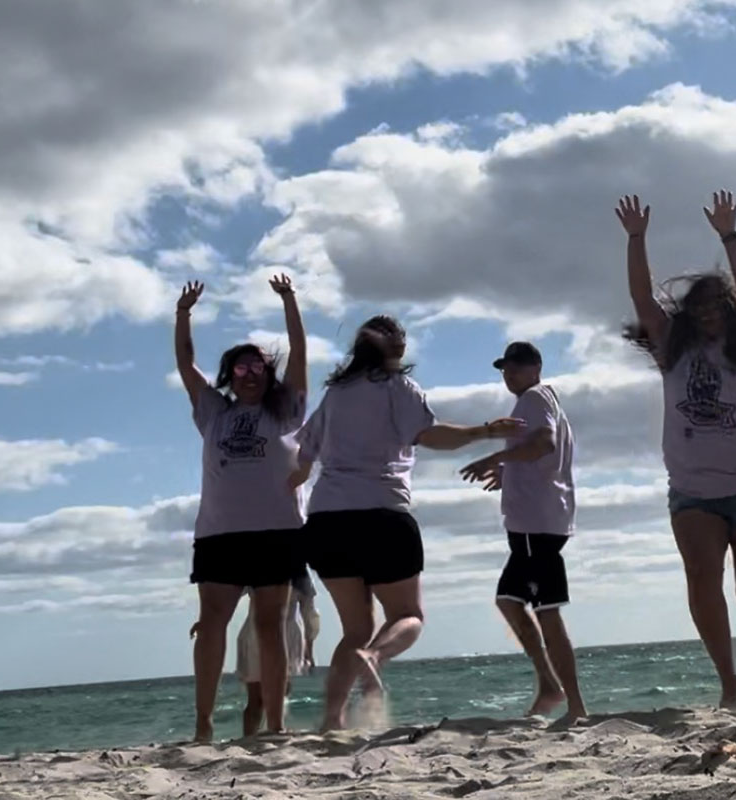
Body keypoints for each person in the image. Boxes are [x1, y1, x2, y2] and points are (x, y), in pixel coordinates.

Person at [289, 315, 524, 731]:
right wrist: (486, 431)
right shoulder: (399, 387)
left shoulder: (335, 394)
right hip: (382, 514)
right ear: (395, 348)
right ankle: (375, 658)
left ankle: (331, 720)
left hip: (326, 521)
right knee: (409, 614)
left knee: (355, 628)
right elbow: (429, 435)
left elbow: (302, 458)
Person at [615, 192, 736, 709]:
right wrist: (636, 239)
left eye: (721, 306)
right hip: (693, 490)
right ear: (691, 314)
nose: (713, 314)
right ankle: (731, 686)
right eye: (703, 307)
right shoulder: (674, 349)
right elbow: (643, 298)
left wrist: (730, 236)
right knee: (703, 585)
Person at [175, 275, 308, 741]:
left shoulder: (286, 409)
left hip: (277, 531)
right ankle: (204, 724)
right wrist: (183, 314)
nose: (250, 375)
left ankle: (275, 724)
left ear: (268, 375)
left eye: (258, 368)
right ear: (229, 377)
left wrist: (289, 301)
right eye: (240, 369)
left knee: (270, 626)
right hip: (220, 533)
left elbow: (299, 352)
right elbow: (186, 364)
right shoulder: (214, 412)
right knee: (213, 621)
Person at [459, 342, 587, 721]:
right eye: (504, 368)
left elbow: (543, 445)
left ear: (536, 367)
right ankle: (550, 685)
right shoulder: (545, 401)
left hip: (536, 525)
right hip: (536, 523)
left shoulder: (533, 398)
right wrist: (508, 471)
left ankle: (575, 705)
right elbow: (538, 454)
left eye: (515, 366)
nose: (508, 374)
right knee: (509, 600)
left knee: (548, 611)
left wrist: (495, 456)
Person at [235, 574, 321, 735]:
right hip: (286, 634)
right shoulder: (300, 573)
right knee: (279, 691)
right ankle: (272, 728)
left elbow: (230, 594)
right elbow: (309, 612)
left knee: (256, 699)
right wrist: (309, 648)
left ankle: (252, 736)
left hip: (256, 629)